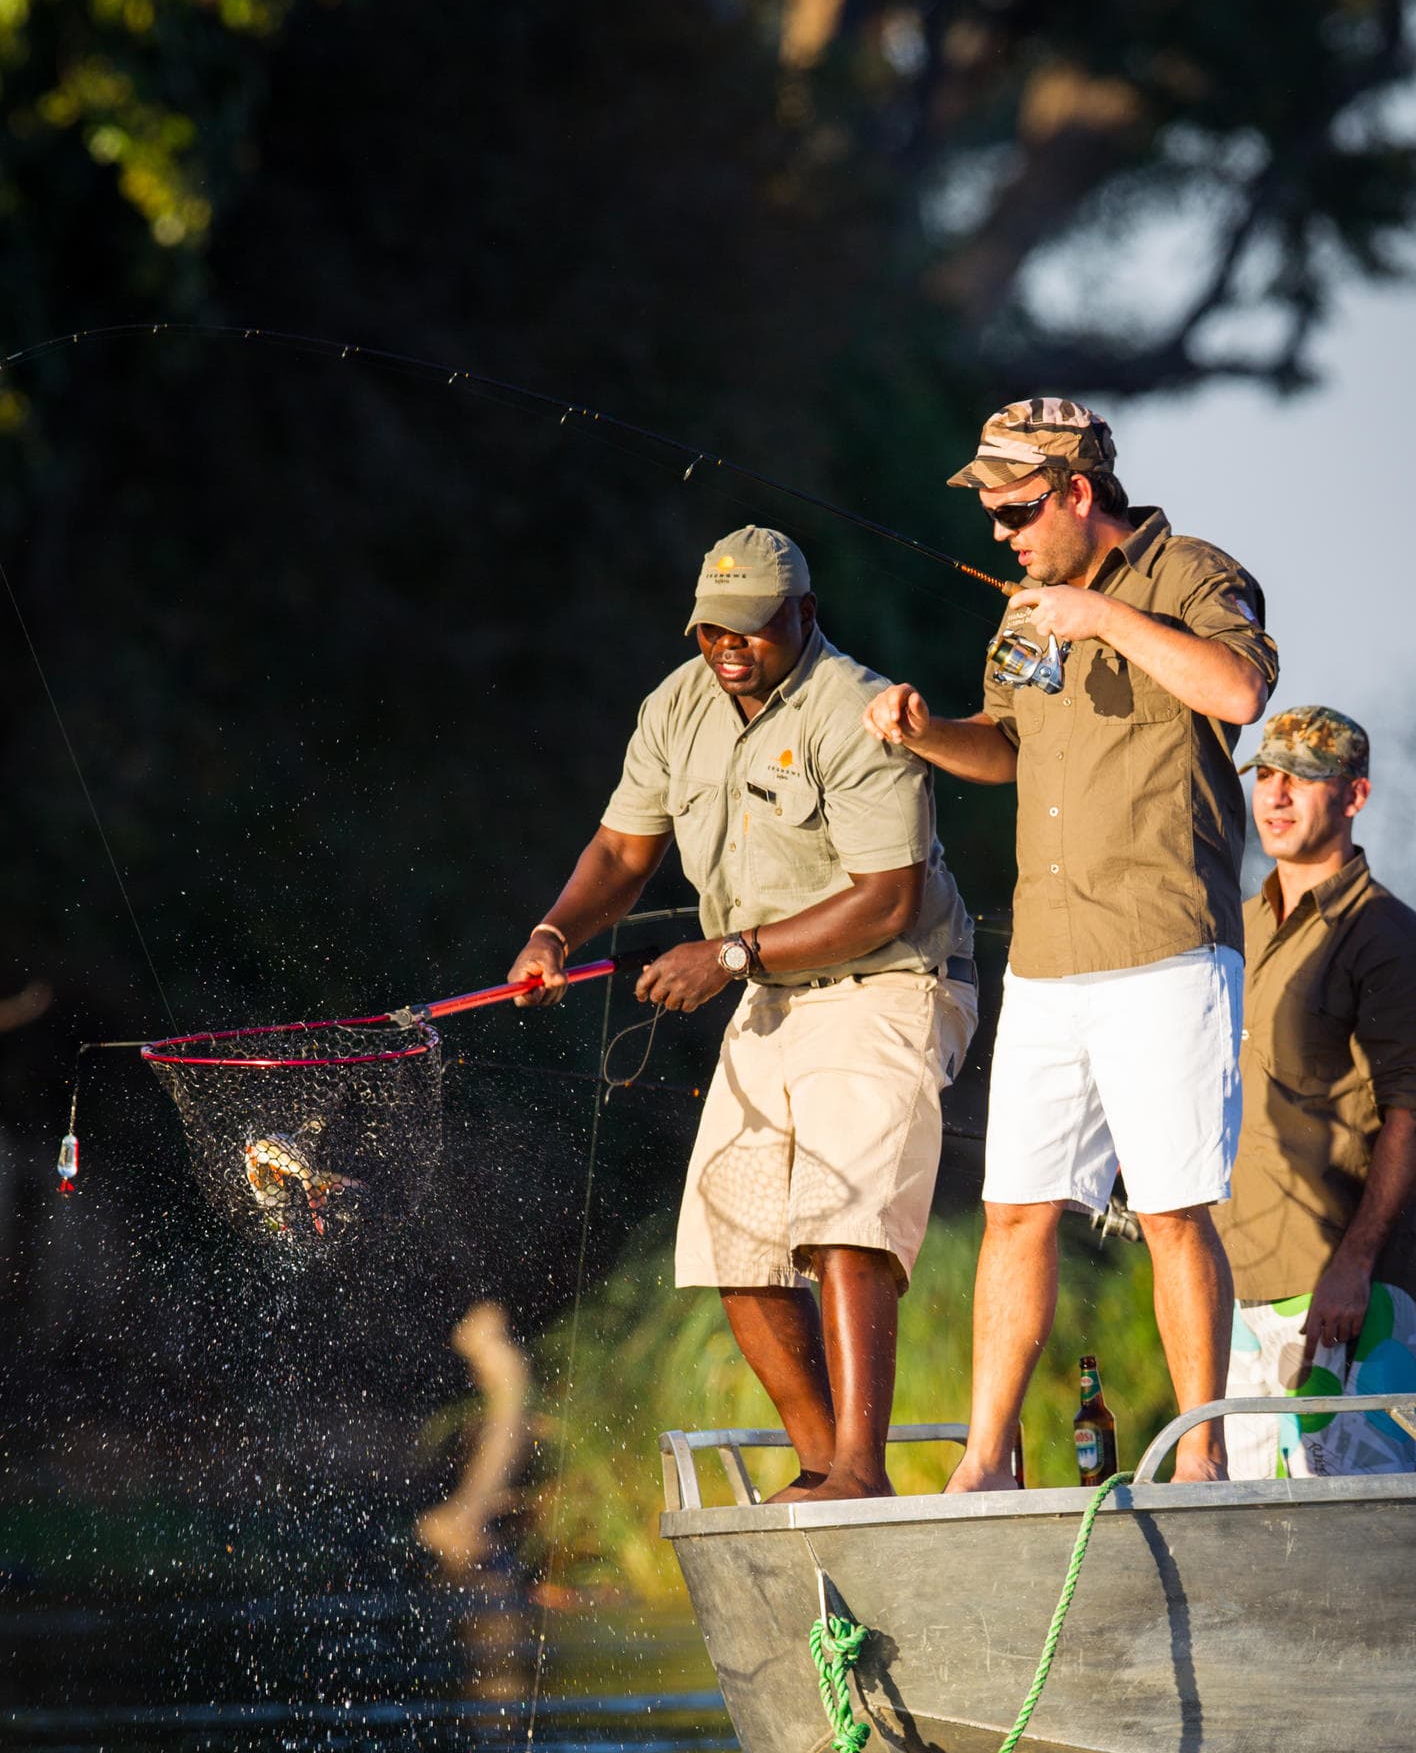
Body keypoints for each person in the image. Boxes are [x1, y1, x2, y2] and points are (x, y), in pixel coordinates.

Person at [509, 524, 976, 1502]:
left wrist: (727, 955)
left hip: (891, 981)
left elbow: (887, 898)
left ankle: (859, 1475)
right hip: (770, 995)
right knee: (736, 1243)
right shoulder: (676, 706)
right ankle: (819, 1467)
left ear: (803, 615)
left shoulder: (859, 711)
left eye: (752, 630)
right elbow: (622, 853)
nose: (729, 650)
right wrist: (556, 933)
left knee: (845, 1224)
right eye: (712, 630)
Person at [862, 397, 1278, 1489]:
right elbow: (1003, 748)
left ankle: (1203, 1459)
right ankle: (987, 1460)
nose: (999, 535)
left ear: (1077, 493)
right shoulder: (1022, 610)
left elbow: (1237, 689)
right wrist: (924, 736)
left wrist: (1106, 622)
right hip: (1046, 955)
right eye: (991, 516)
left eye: (1012, 511)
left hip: (1166, 945)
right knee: (1014, 1210)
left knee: (1174, 1210)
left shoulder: (1191, 572)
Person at [1213, 706, 1416, 1479]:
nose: (1276, 795)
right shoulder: (1235, 927)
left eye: (1302, 778)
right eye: (1266, 776)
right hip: (1232, 1294)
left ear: (1354, 796)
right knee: (1244, 1546)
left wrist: (1354, 1265)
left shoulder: (1390, 937)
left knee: (1354, 1551)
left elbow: (1415, 1113)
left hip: (1345, 1305)